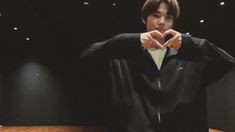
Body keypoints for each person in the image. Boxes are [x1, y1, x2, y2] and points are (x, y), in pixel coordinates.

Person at [80, 0, 235, 131]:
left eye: (168, 17)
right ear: (144, 18)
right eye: (156, 15)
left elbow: (227, 61)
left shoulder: (191, 57)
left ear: (173, 21)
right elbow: (87, 56)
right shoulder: (122, 56)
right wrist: (133, 41)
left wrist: (190, 43)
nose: (162, 22)